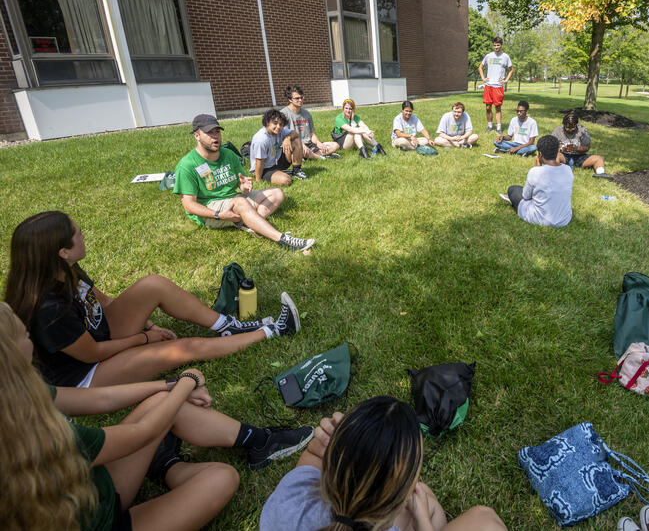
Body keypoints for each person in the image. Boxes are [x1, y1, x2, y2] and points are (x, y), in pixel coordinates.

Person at [0, 302, 314, 531]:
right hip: (103, 522)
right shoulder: (41, 435)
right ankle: (166, 465)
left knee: (164, 402)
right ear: (12, 355)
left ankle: (260, 442)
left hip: (91, 488)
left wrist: (169, 386)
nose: (31, 336)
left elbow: (100, 398)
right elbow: (145, 432)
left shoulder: (15, 397)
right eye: (24, 333)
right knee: (222, 478)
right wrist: (188, 380)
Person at [5, 211, 301, 388]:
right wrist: (146, 339)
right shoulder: (49, 309)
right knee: (182, 349)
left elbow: (105, 304)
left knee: (153, 285)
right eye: (77, 234)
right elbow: (93, 353)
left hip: (100, 334)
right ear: (62, 252)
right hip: (84, 376)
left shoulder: (65, 268)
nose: (83, 235)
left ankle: (227, 325)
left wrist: (144, 322)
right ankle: (273, 330)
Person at [260, 396, 507, 531]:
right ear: (397, 507)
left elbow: (311, 460)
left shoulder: (289, 504)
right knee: (484, 519)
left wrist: (332, 441)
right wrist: (423, 522)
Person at [175, 114, 314, 251]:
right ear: (196, 135)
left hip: (234, 200)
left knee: (277, 193)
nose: (215, 136)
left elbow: (240, 183)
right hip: (210, 208)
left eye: (217, 131)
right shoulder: (187, 165)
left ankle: (251, 223)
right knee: (240, 202)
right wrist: (218, 215)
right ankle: (282, 239)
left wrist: (243, 186)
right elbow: (189, 205)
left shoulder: (228, 155)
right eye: (209, 133)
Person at [498, 135, 573, 228]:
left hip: (539, 218)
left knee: (513, 189)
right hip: (564, 219)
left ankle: (515, 204)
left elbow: (526, 196)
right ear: (558, 151)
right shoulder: (568, 170)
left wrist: (538, 165)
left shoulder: (536, 171)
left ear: (540, 154)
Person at [280, 85, 340, 171]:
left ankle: (309, 156)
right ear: (290, 99)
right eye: (297, 98)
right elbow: (285, 136)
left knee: (335, 145)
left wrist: (319, 143)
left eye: (302, 97)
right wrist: (302, 146)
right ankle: (320, 157)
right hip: (296, 145)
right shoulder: (284, 114)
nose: (300, 100)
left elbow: (311, 134)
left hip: (310, 145)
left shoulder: (306, 113)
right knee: (299, 150)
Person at [551, 110, 613, 178]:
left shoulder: (582, 130)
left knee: (599, 158)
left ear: (576, 124)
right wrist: (562, 149)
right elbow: (551, 148)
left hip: (579, 157)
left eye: (573, 127)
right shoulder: (557, 131)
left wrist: (577, 148)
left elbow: (587, 147)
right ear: (564, 124)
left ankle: (600, 173)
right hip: (563, 156)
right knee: (555, 156)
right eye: (568, 127)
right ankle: (555, 172)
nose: (570, 130)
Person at [249, 109, 301, 186]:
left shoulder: (280, 130)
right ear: (267, 122)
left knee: (296, 141)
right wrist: (258, 181)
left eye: (281, 124)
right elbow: (259, 162)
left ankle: (297, 171)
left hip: (276, 161)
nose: (278, 127)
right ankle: (282, 174)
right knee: (286, 180)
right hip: (265, 168)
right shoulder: (261, 140)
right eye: (275, 123)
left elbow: (295, 133)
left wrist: (288, 138)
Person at [478, 36, 513, 134]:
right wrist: (483, 78)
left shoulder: (505, 57)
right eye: (494, 45)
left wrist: (506, 80)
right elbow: (480, 67)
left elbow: (511, 70)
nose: (496, 47)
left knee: (498, 107)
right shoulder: (489, 56)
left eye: (498, 45)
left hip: (498, 86)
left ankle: (498, 128)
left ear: (501, 45)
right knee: (488, 107)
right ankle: (490, 126)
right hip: (488, 85)